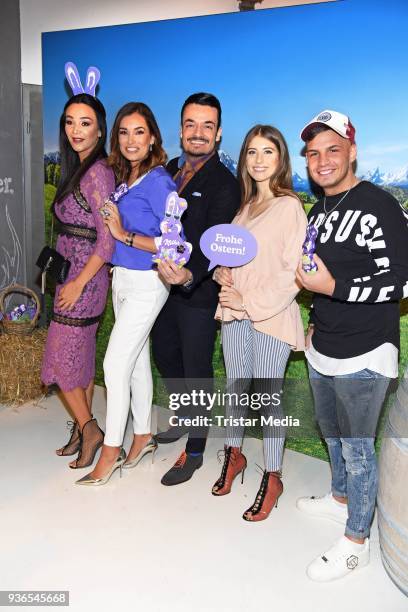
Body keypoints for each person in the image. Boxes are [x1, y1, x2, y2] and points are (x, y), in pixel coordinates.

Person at [296, 109, 408, 581]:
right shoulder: (319, 209)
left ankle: (356, 541)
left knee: (359, 449)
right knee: (333, 430)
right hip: (325, 343)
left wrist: (334, 288)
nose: (322, 162)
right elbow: (314, 272)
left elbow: (400, 284)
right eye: (314, 153)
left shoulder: (380, 205)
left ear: (352, 152)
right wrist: (317, 318)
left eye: (333, 151)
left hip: (366, 350)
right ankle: (340, 498)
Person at [211, 124, 307, 520]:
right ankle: (233, 456)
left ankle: (273, 475)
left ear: (280, 159)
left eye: (268, 152)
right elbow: (231, 257)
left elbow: (292, 275)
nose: (259, 160)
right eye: (252, 152)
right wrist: (221, 272)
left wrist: (247, 300)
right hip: (234, 313)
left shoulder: (290, 208)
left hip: (269, 316)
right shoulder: (244, 209)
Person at [76, 102, 174, 485]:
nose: (131, 140)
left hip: (148, 283)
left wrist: (123, 234)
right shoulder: (129, 177)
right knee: (134, 364)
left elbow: (173, 244)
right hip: (124, 279)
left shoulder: (160, 181)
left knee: (114, 366)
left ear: (152, 138)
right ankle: (145, 436)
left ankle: (111, 451)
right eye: (124, 132)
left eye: (139, 132)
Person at [151, 92, 240, 486]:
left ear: (218, 134)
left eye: (207, 126)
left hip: (197, 293)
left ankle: (197, 451)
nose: (198, 133)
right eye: (191, 124)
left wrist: (189, 276)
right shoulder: (168, 170)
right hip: (160, 288)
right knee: (165, 354)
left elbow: (215, 242)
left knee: (197, 369)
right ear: (181, 129)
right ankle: (185, 417)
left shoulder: (225, 182)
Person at [41, 93, 115, 469]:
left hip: (84, 279)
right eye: (70, 121)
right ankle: (79, 429)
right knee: (81, 359)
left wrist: (76, 284)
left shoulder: (98, 172)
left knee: (60, 357)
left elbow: (107, 239)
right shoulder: (78, 167)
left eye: (85, 122)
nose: (76, 130)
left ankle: (89, 428)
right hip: (72, 273)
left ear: (100, 130)